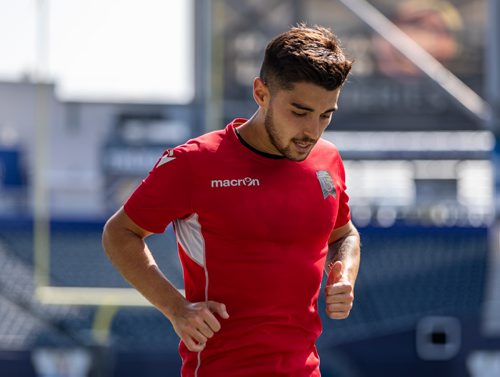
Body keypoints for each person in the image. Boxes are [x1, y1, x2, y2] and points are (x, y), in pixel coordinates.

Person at [102, 23, 360, 377]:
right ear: (261, 92)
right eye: (299, 112)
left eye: (326, 115)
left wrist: (343, 273)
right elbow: (119, 233)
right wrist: (176, 308)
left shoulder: (327, 160)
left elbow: (344, 235)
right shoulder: (194, 162)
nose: (312, 131)